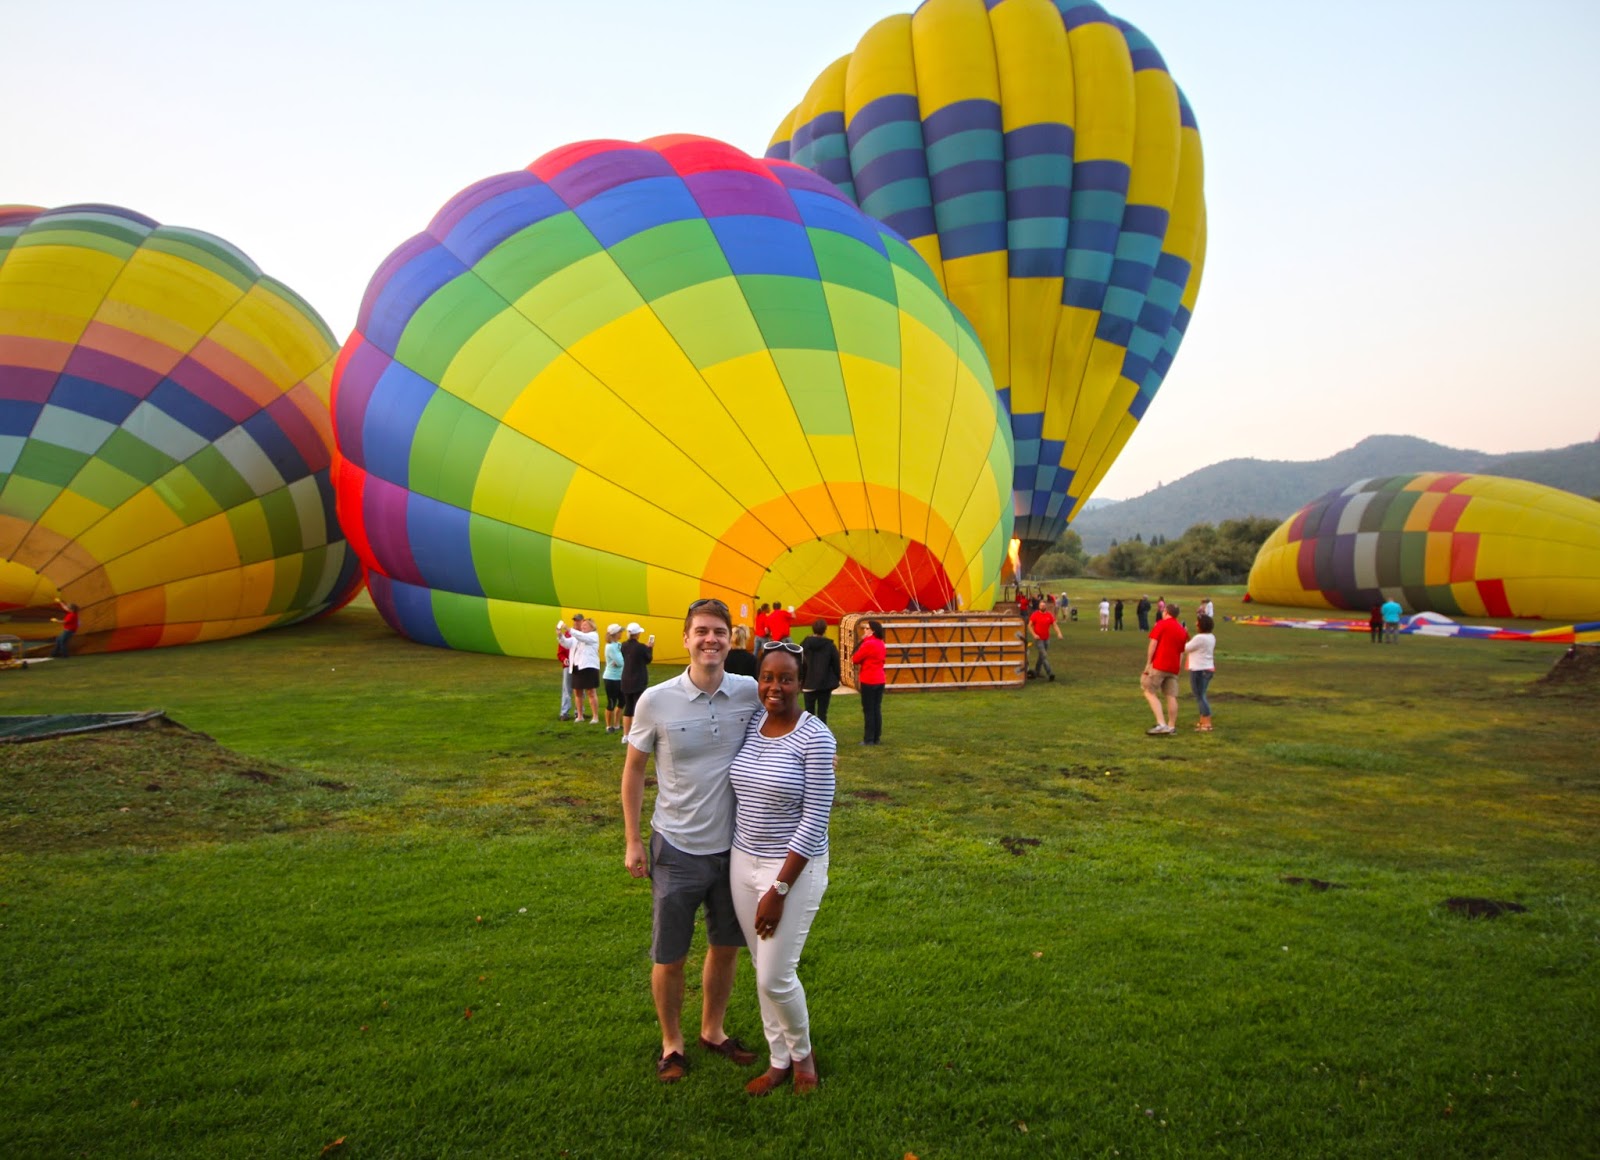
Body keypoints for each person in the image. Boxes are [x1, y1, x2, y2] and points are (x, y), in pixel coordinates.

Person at [621, 598, 761, 1083]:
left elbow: (788, 722)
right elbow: (634, 770)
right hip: (677, 848)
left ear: (730, 639)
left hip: (737, 850)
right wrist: (633, 840)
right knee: (670, 954)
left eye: (719, 631)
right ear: (685, 638)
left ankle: (713, 1031)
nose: (710, 639)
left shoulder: (749, 691)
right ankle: (672, 1043)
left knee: (725, 946)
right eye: (701, 631)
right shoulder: (656, 700)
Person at [728, 640, 836, 1096]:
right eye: (767, 677)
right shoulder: (753, 723)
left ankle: (803, 1057)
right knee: (760, 969)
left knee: (776, 974)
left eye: (785, 678)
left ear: (802, 682)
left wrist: (779, 889)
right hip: (741, 859)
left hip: (792, 868)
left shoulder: (817, 736)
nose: (775, 686)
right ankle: (778, 1060)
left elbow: (815, 819)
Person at [1141, 602, 1189, 735]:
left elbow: (1153, 644)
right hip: (1173, 667)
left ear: (1167, 612)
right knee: (1171, 695)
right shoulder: (1181, 629)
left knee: (1148, 690)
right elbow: (1181, 651)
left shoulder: (1161, 624)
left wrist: (1148, 663)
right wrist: (1177, 667)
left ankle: (1161, 723)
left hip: (1159, 664)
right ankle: (1171, 726)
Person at [851, 618, 887, 745]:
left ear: (872, 631)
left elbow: (855, 658)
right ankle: (876, 737)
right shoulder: (880, 643)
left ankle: (869, 738)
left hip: (869, 679)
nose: (864, 630)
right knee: (876, 708)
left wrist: (863, 641)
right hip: (880, 679)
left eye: (866, 628)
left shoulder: (868, 644)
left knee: (868, 710)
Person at [619, 623, 655, 740]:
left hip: (626, 678)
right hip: (638, 679)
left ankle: (625, 734)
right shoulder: (641, 647)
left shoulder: (623, 645)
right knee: (637, 707)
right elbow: (648, 659)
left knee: (628, 707)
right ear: (637, 634)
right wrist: (650, 648)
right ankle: (635, 734)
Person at [799, 619, 841, 722]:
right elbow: (836, 664)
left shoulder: (804, 645)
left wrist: (800, 679)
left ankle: (809, 735)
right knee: (823, 713)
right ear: (825, 630)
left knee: (809, 712)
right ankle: (822, 735)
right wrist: (837, 677)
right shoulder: (830, 646)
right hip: (825, 683)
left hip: (809, 682)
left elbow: (799, 662)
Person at [1185, 613, 1217, 732]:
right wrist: (1187, 635)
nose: (1196, 624)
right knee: (1201, 695)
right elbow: (1193, 646)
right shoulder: (1211, 637)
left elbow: (1185, 648)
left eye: (1197, 622)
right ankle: (1202, 721)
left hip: (1198, 669)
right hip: (1207, 669)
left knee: (1200, 696)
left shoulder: (1200, 638)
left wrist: (1182, 636)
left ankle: (1207, 723)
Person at [568, 616, 602, 723]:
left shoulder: (593, 635)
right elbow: (567, 643)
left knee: (591, 691)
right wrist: (560, 636)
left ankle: (595, 716)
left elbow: (582, 637)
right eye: (582, 626)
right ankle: (580, 715)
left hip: (589, 666)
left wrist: (569, 629)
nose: (583, 627)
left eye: (585, 625)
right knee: (577, 691)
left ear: (592, 627)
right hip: (578, 666)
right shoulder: (578, 637)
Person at [1028, 602, 1062, 681]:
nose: (1042, 607)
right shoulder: (1035, 615)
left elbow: (1054, 625)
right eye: (1041, 605)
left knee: (1041, 657)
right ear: (1039, 607)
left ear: (1045, 607)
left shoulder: (1049, 615)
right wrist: (1034, 635)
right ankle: (1050, 673)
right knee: (1044, 655)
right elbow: (1029, 625)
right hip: (1038, 639)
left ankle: (1037, 672)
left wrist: (1059, 633)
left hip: (1046, 639)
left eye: (1043, 605)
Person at [603, 624, 626, 733]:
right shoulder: (611, 647)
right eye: (620, 632)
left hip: (620, 677)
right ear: (614, 634)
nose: (621, 633)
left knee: (622, 701)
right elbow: (621, 662)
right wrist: (619, 661)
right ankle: (609, 726)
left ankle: (617, 724)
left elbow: (623, 659)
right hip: (611, 678)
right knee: (611, 702)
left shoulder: (619, 645)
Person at [555, 619, 579, 721]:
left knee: (580, 689)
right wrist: (564, 659)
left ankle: (579, 711)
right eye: (575, 621)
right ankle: (564, 712)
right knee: (567, 689)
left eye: (578, 621)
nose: (576, 623)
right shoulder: (567, 635)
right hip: (568, 666)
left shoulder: (584, 635)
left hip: (580, 665)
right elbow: (560, 652)